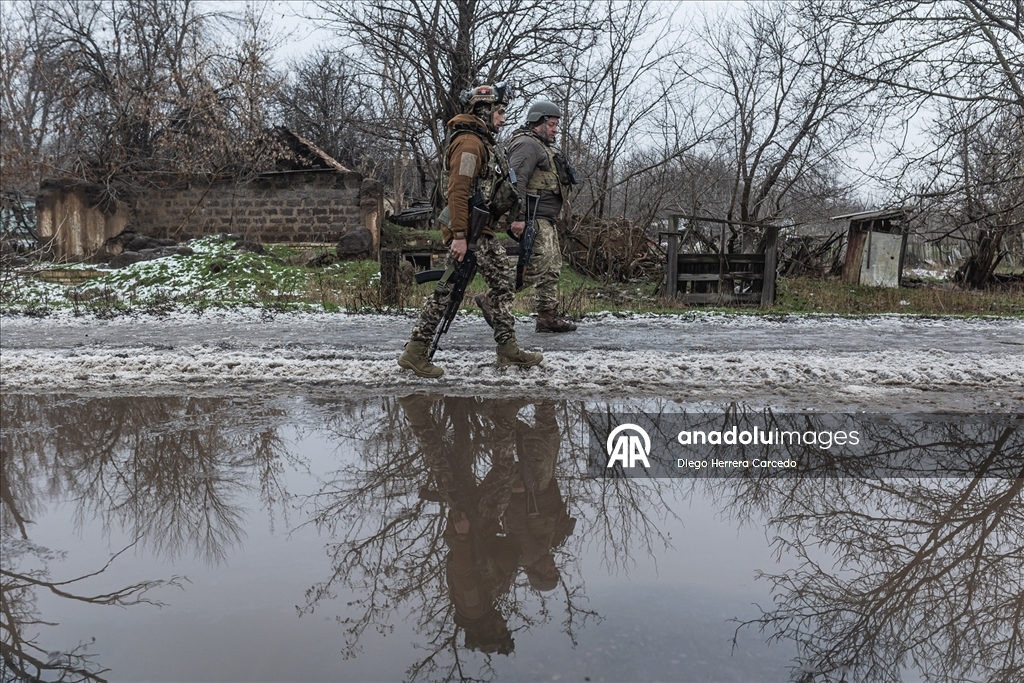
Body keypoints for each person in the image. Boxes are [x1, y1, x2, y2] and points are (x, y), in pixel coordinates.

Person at [398, 83, 543, 378]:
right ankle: (415, 351)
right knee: (449, 288)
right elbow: (458, 190)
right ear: (485, 110)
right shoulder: (469, 143)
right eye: (500, 112)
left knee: (502, 282)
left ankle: (508, 348)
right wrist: (461, 237)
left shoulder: (482, 141)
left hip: (481, 230)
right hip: (469, 232)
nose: (503, 119)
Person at [476, 100, 578, 333]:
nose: (555, 129)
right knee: (537, 265)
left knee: (552, 267)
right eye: (551, 124)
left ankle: (547, 316)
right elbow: (517, 181)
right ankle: (492, 297)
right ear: (538, 123)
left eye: (556, 125)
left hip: (546, 219)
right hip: (534, 217)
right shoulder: (526, 144)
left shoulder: (542, 146)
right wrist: (519, 217)